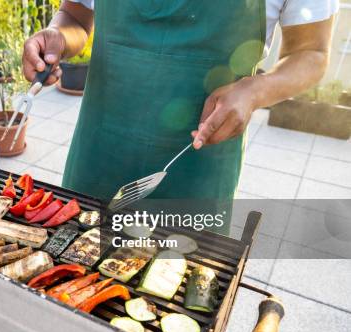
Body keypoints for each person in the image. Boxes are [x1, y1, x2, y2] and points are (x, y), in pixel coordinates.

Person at [22, 0, 337, 205]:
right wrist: (57, 36)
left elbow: (311, 53)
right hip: (98, 153)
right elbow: (76, 15)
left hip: (199, 165)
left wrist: (253, 91)